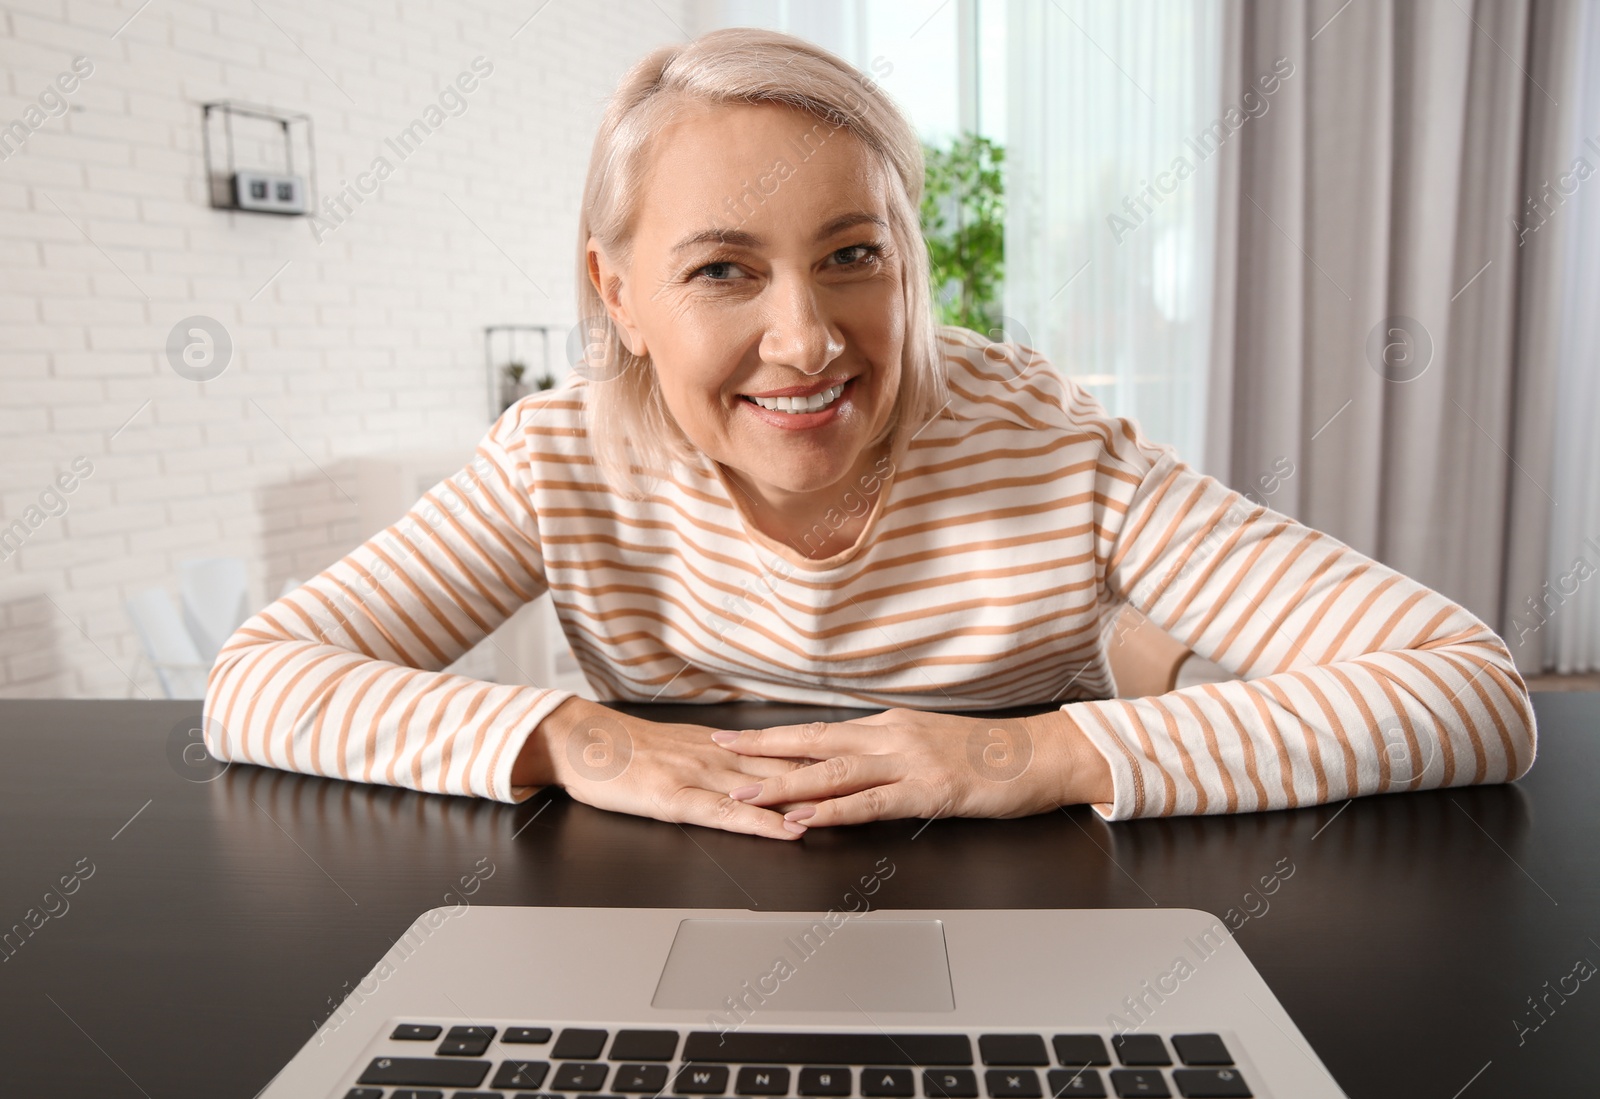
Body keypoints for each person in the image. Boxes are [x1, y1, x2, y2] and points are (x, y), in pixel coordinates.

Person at [202, 27, 1536, 841]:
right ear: (621, 294)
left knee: (1148, 663)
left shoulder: (1059, 454)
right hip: (688, 923)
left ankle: (1142, 658)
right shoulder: (558, 458)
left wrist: (1026, 751)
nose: (808, 341)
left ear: (909, 256)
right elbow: (254, 680)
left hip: (1028, 934)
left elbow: (1468, 687)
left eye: (853, 254)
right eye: (723, 271)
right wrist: (579, 740)